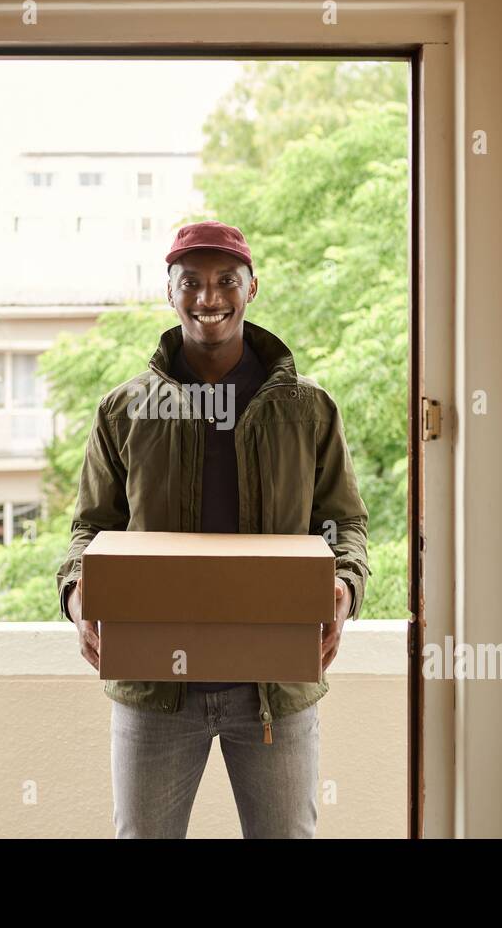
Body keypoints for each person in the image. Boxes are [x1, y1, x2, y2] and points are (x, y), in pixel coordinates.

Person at [55, 220, 369, 838]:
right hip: (154, 693)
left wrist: (344, 587)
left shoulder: (307, 409)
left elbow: (344, 524)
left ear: (252, 287)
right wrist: (75, 594)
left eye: (226, 280)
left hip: (274, 690)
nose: (209, 297)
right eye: (191, 282)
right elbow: (89, 530)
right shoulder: (127, 411)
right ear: (168, 291)